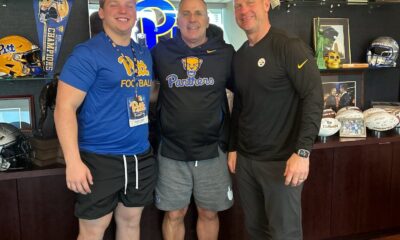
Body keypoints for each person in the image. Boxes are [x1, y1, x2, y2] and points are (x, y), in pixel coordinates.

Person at [54, 0, 156, 239]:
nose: (123, 11)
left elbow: (140, 92)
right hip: (99, 159)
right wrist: (73, 162)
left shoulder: (142, 51)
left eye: (129, 5)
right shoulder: (87, 53)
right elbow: (64, 107)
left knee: (131, 224)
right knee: (92, 231)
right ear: (101, 12)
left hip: (140, 155)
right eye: (114, 5)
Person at [228, 0, 324, 239]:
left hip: (281, 164)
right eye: (238, 5)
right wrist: (233, 147)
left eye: (250, 2)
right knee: (256, 230)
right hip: (247, 162)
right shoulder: (240, 56)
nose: (243, 10)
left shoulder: (288, 46)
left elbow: (313, 97)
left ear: (266, 5)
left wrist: (303, 152)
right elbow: (239, 106)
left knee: (284, 234)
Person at [151, 0, 234, 239]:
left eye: (198, 13)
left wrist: (235, 144)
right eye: (186, 13)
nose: (192, 18)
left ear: (208, 20)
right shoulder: (161, 52)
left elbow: (247, 93)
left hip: (212, 149)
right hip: (171, 150)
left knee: (208, 213)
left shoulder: (225, 53)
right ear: (177, 20)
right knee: (175, 214)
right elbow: (142, 87)